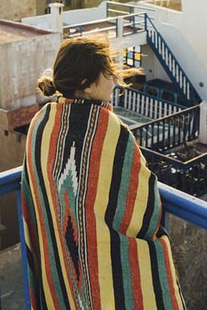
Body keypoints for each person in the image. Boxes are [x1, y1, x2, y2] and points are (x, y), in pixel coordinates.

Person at [20, 36, 185, 309]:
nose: (114, 79)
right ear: (86, 83)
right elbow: (141, 202)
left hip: (59, 264)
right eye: (107, 73)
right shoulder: (108, 129)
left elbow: (38, 194)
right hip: (100, 273)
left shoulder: (42, 123)